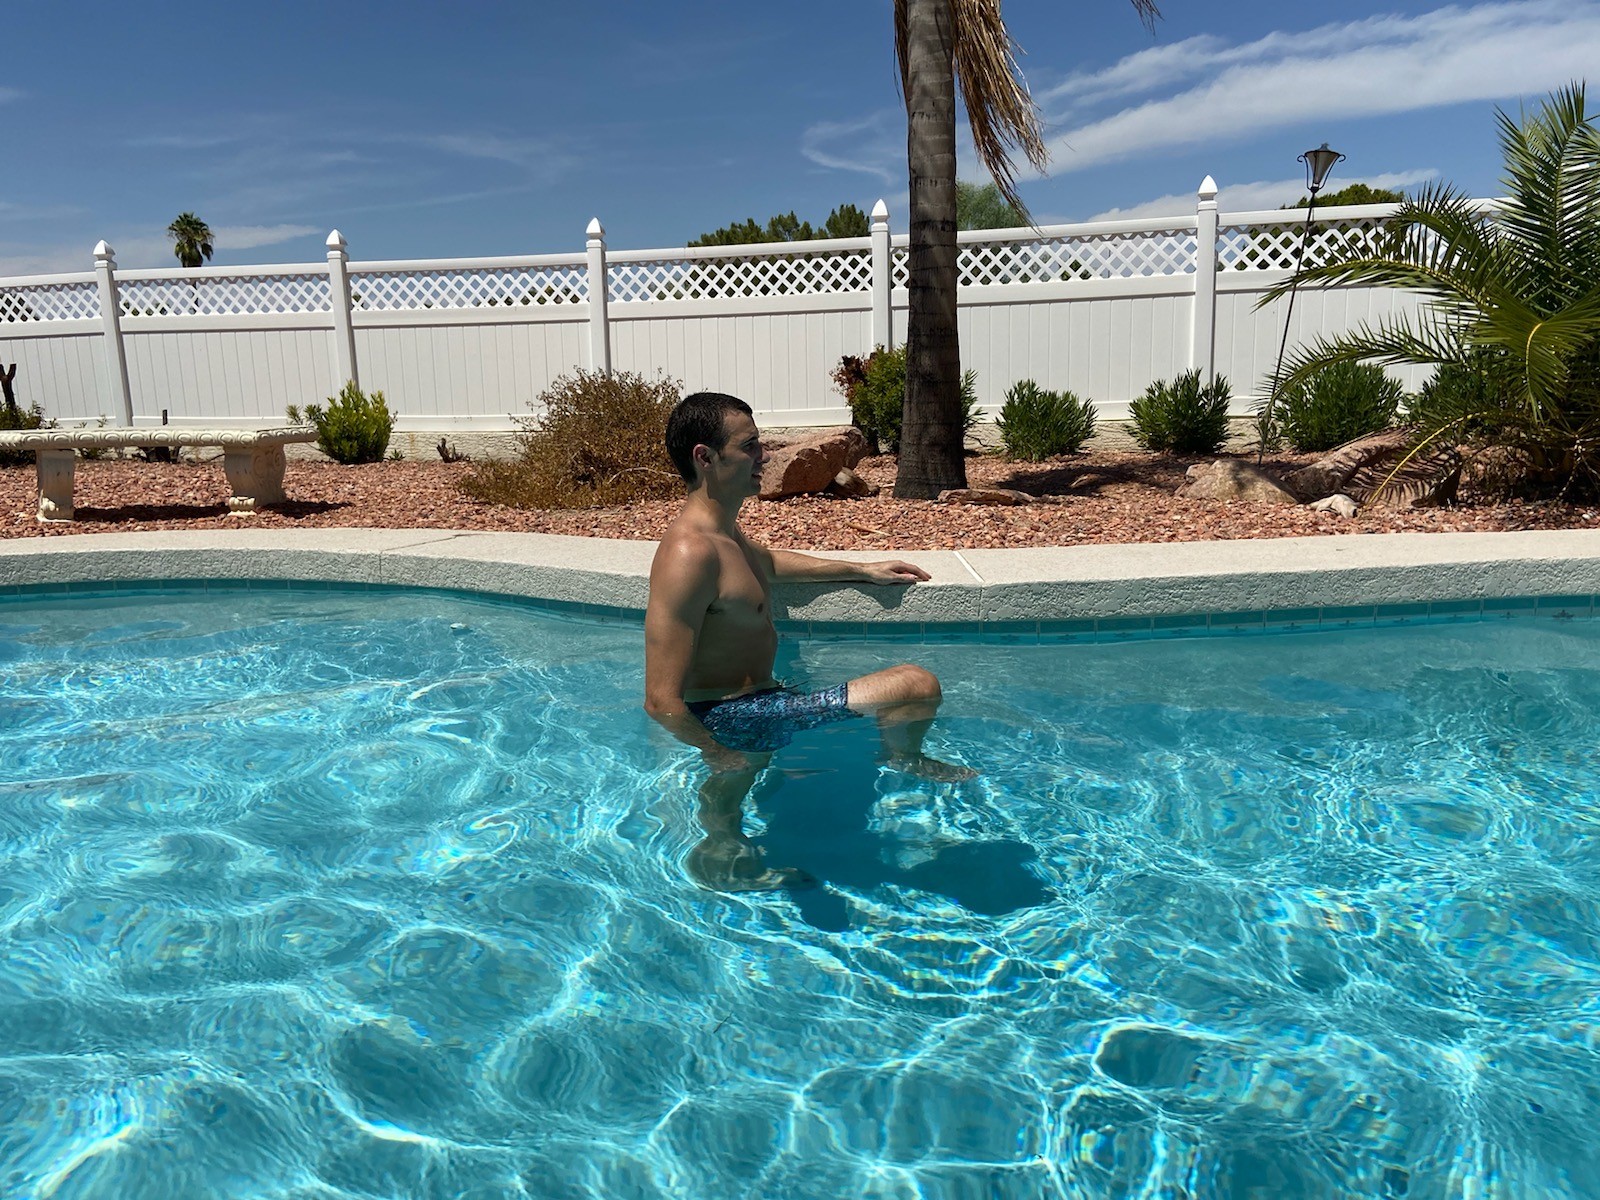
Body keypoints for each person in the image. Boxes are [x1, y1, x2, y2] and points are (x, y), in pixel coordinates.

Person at [643, 391, 973, 891]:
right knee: (915, 683)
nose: (765, 456)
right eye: (750, 446)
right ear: (705, 457)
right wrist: (715, 750)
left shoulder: (724, 533)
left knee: (751, 785)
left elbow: (768, 563)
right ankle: (897, 758)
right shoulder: (689, 554)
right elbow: (660, 699)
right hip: (734, 716)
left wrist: (860, 568)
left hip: (763, 701)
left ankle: (723, 836)